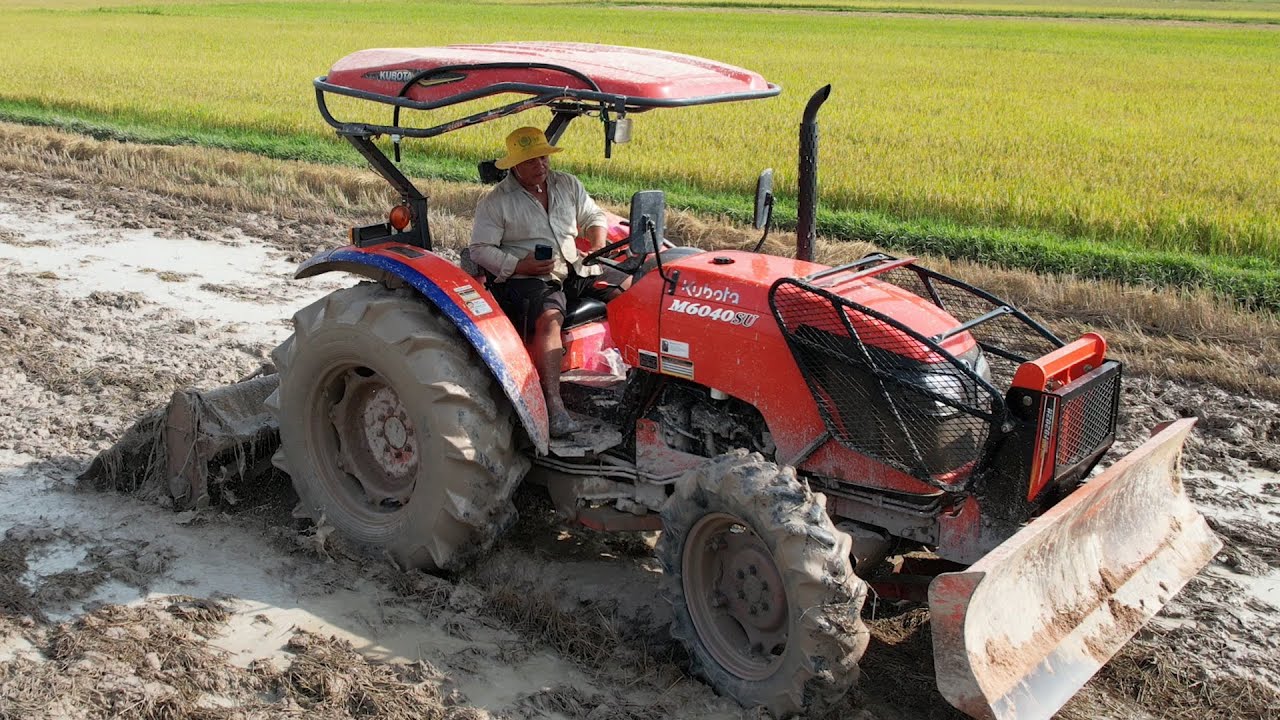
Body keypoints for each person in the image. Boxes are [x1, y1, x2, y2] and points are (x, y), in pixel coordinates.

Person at [469, 126, 623, 438]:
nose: (540, 165)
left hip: (574, 266)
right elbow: (479, 250)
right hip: (527, 277)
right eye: (530, 161)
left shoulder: (567, 184)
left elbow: (594, 217)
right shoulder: (497, 202)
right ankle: (553, 405)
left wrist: (594, 246)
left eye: (543, 157)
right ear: (514, 165)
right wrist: (520, 265)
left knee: (631, 286)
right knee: (551, 318)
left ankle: (636, 376)